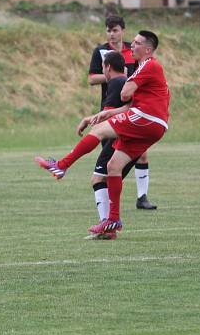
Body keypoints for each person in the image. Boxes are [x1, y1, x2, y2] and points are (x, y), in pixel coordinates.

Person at [36, 30, 170, 238]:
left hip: (146, 118)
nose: (131, 46)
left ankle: (61, 166)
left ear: (148, 49)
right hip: (153, 123)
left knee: (98, 132)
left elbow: (126, 94)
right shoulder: (144, 68)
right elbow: (129, 105)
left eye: (136, 43)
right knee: (113, 166)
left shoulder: (148, 65)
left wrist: (126, 87)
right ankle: (113, 220)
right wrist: (106, 113)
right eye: (132, 42)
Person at [88, 15, 156, 209]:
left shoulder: (132, 50)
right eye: (108, 30)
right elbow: (92, 78)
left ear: (122, 30)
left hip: (132, 108)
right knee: (111, 157)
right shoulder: (101, 51)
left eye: (115, 30)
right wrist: (116, 75)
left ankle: (142, 197)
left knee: (142, 154)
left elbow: (142, 74)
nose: (112, 34)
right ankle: (108, 194)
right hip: (110, 108)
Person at [86, 51, 148, 239]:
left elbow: (108, 115)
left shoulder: (115, 83)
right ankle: (108, 226)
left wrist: (94, 130)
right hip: (128, 137)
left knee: (98, 179)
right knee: (109, 179)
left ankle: (108, 226)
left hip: (117, 139)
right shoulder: (124, 82)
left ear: (107, 67)